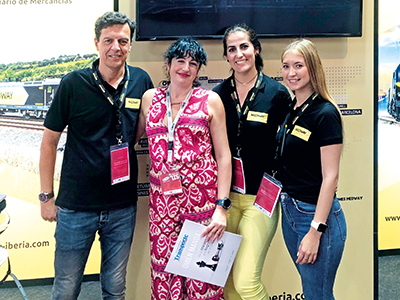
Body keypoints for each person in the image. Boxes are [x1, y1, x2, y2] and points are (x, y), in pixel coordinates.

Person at [39, 11, 153, 300]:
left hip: (122, 206)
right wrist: (46, 197)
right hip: (76, 207)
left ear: (130, 45)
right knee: (66, 287)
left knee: (115, 288)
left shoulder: (141, 80)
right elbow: (49, 142)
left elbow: (140, 127)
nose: (116, 47)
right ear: (97, 43)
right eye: (109, 40)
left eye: (123, 41)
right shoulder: (73, 84)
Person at [136, 37, 232, 300]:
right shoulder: (149, 99)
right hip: (162, 206)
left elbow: (224, 156)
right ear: (168, 65)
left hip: (201, 204)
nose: (186, 68)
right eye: (180, 60)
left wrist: (221, 209)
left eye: (193, 63)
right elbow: (132, 137)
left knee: (203, 278)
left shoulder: (210, 100)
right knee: (164, 275)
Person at [212, 24, 292, 300]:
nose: (238, 54)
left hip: (261, 199)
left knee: (246, 283)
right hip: (226, 200)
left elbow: (287, 146)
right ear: (226, 56)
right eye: (231, 49)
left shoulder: (277, 93)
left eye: (244, 46)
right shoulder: (218, 95)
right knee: (227, 284)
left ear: (255, 49)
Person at [277, 38, 347, 299]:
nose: (291, 73)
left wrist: (315, 231)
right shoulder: (291, 109)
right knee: (311, 291)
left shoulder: (325, 113)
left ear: (313, 68)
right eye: (286, 66)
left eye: (298, 65)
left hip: (315, 218)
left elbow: (331, 178)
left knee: (317, 294)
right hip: (290, 211)